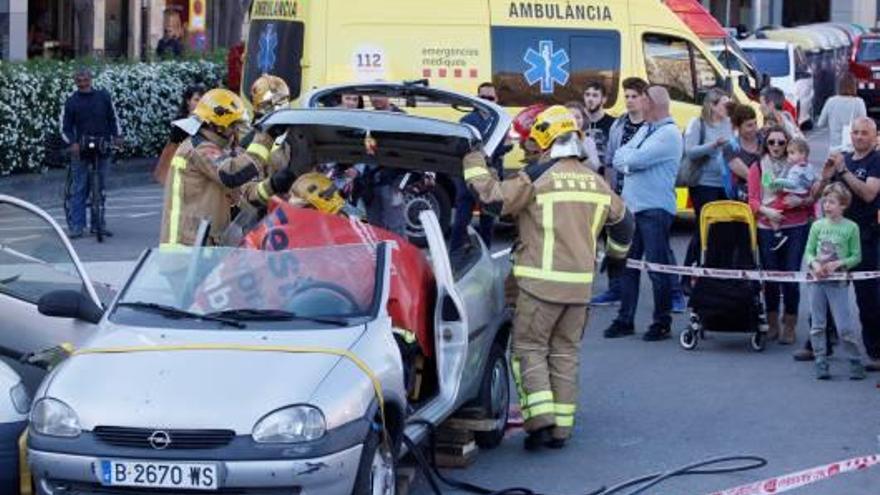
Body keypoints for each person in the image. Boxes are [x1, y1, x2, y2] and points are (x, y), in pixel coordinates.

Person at [463, 105, 633, 450]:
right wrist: (614, 256)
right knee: (565, 353)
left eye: (532, 142)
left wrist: (473, 163)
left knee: (529, 349)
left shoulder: (537, 178)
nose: (529, 148)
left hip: (539, 288)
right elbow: (625, 224)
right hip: (580, 291)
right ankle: (562, 430)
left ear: (545, 139)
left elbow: (493, 199)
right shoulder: (596, 182)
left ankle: (540, 424)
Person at [159, 89, 301, 247]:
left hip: (202, 250)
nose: (236, 131)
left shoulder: (217, 152)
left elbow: (245, 195)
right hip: (185, 252)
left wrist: (273, 184)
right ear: (217, 125)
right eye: (233, 125)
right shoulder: (199, 149)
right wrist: (267, 137)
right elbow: (231, 175)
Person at [604, 86, 681, 341]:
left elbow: (633, 161)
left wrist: (629, 161)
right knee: (628, 266)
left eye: (643, 100)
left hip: (654, 209)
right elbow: (619, 157)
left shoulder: (668, 134)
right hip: (634, 208)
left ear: (653, 104)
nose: (637, 105)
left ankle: (662, 322)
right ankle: (625, 320)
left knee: (657, 269)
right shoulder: (647, 130)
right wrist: (629, 160)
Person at [808, 116, 880, 369]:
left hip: (864, 237)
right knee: (824, 292)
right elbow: (815, 196)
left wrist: (844, 172)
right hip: (833, 238)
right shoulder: (844, 159)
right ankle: (818, 345)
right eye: (856, 133)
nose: (859, 137)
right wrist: (827, 175)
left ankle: (875, 352)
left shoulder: (875, 161)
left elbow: (869, 194)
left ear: (875, 136)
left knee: (868, 297)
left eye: (864, 133)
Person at [747, 126, 813, 344]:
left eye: (781, 142)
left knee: (791, 277)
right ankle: (773, 323)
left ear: (788, 144)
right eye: (771, 142)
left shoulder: (799, 165)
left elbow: (811, 195)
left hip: (796, 225)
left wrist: (802, 202)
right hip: (767, 226)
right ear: (765, 144)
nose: (776, 146)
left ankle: (790, 325)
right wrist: (768, 211)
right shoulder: (757, 167)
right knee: (771, 277)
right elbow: (753, 200)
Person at [804, 183, 866, 380]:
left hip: (838, 284)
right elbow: (809, 251)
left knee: (844, 327)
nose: (827, 206)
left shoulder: (851, 227)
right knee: (817, 324)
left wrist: (839, 263)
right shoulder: (817, 225)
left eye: (832, 202)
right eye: (825, 202)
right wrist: (814, 264)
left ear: (843, 205)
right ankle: (820, 361)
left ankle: (855, 361)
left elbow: (856, 256)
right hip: (816, 282)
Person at [60, 67, 122, 239]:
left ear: (91, 79)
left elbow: (113, 118)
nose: (82, 83)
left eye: (85, 80)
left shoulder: (103, 97)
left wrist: (117, 136)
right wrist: (72, 143)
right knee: (79, 187)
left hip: (102, 146)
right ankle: (77, 227)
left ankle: (98, 225)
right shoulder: (71, 102)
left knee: (100, 188)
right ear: (75, 82)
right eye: (79, 81)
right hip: (80, 149)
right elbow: (65, 128)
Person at [450, 82, 511, 252]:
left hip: (492, 176)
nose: (486, 101)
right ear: (477, 99)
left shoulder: (501, 122)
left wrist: (502, 148)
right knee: (462, 219)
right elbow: (460, 148)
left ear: (496, 99)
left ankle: (485, 254)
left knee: (488, 219)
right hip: (468, 178)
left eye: (490, 98)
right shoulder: (466, 121)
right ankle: (454, 255)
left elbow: (506, 145)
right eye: (483, 97)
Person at [682, 89, 734, 278]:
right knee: (703, 228)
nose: (728, 108)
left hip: (725, 182)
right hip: (703, 182)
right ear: (712, 105)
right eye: (724, 104)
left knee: (724, 229)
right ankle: (688, 273)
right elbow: (690, 151)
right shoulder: (698, 124)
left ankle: (716, 273)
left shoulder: (729, 123)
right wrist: (713, 145)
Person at [763, 137, 816, 249]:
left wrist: (778, 182)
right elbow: (812, 180)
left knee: (772, 212)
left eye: (792, 153)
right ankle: (812, 220)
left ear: (802, 154)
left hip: (792, 194)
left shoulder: (796, 169)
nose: (789, 156)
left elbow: (792, 184)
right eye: (789, 153)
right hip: (803, 194)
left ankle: (778, 235)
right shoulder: (808, 167)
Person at [154, 84, 206, 185]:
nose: (200, 103)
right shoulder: (180, 124)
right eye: (196, 99)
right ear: (188, 101)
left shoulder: (209, 123)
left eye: (202, 100)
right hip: (183, 172)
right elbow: (171, 149)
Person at [816, 73, 867, 152]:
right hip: (852, 149)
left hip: (834, 149)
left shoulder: (831, 101)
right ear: (854, 86)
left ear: (839, 86)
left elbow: (820, 123)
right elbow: (864, 124)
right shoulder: (859, 102)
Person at [726, 104, 761, 198]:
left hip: (764, 197)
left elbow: (768, 169)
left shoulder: (764, 141)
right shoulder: (731, 147)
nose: (754, 129)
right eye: (749, 125)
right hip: (742, 199)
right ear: (738, 127)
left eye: (755, 123)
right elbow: (749, 176)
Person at [581, 81, 616, 169]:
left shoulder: (614, 124)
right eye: (587, 95)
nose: (590, 99)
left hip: (605, 175)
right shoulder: (577, 122)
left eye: (595, 95)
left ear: (604, 99)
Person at [562, 101, 600, 169]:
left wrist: (582, 153)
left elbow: (595, 167)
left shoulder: (589, 141)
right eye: (570, 117)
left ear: (583, 119)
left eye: (578, 117)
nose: (574, 121)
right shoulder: (557, 140)